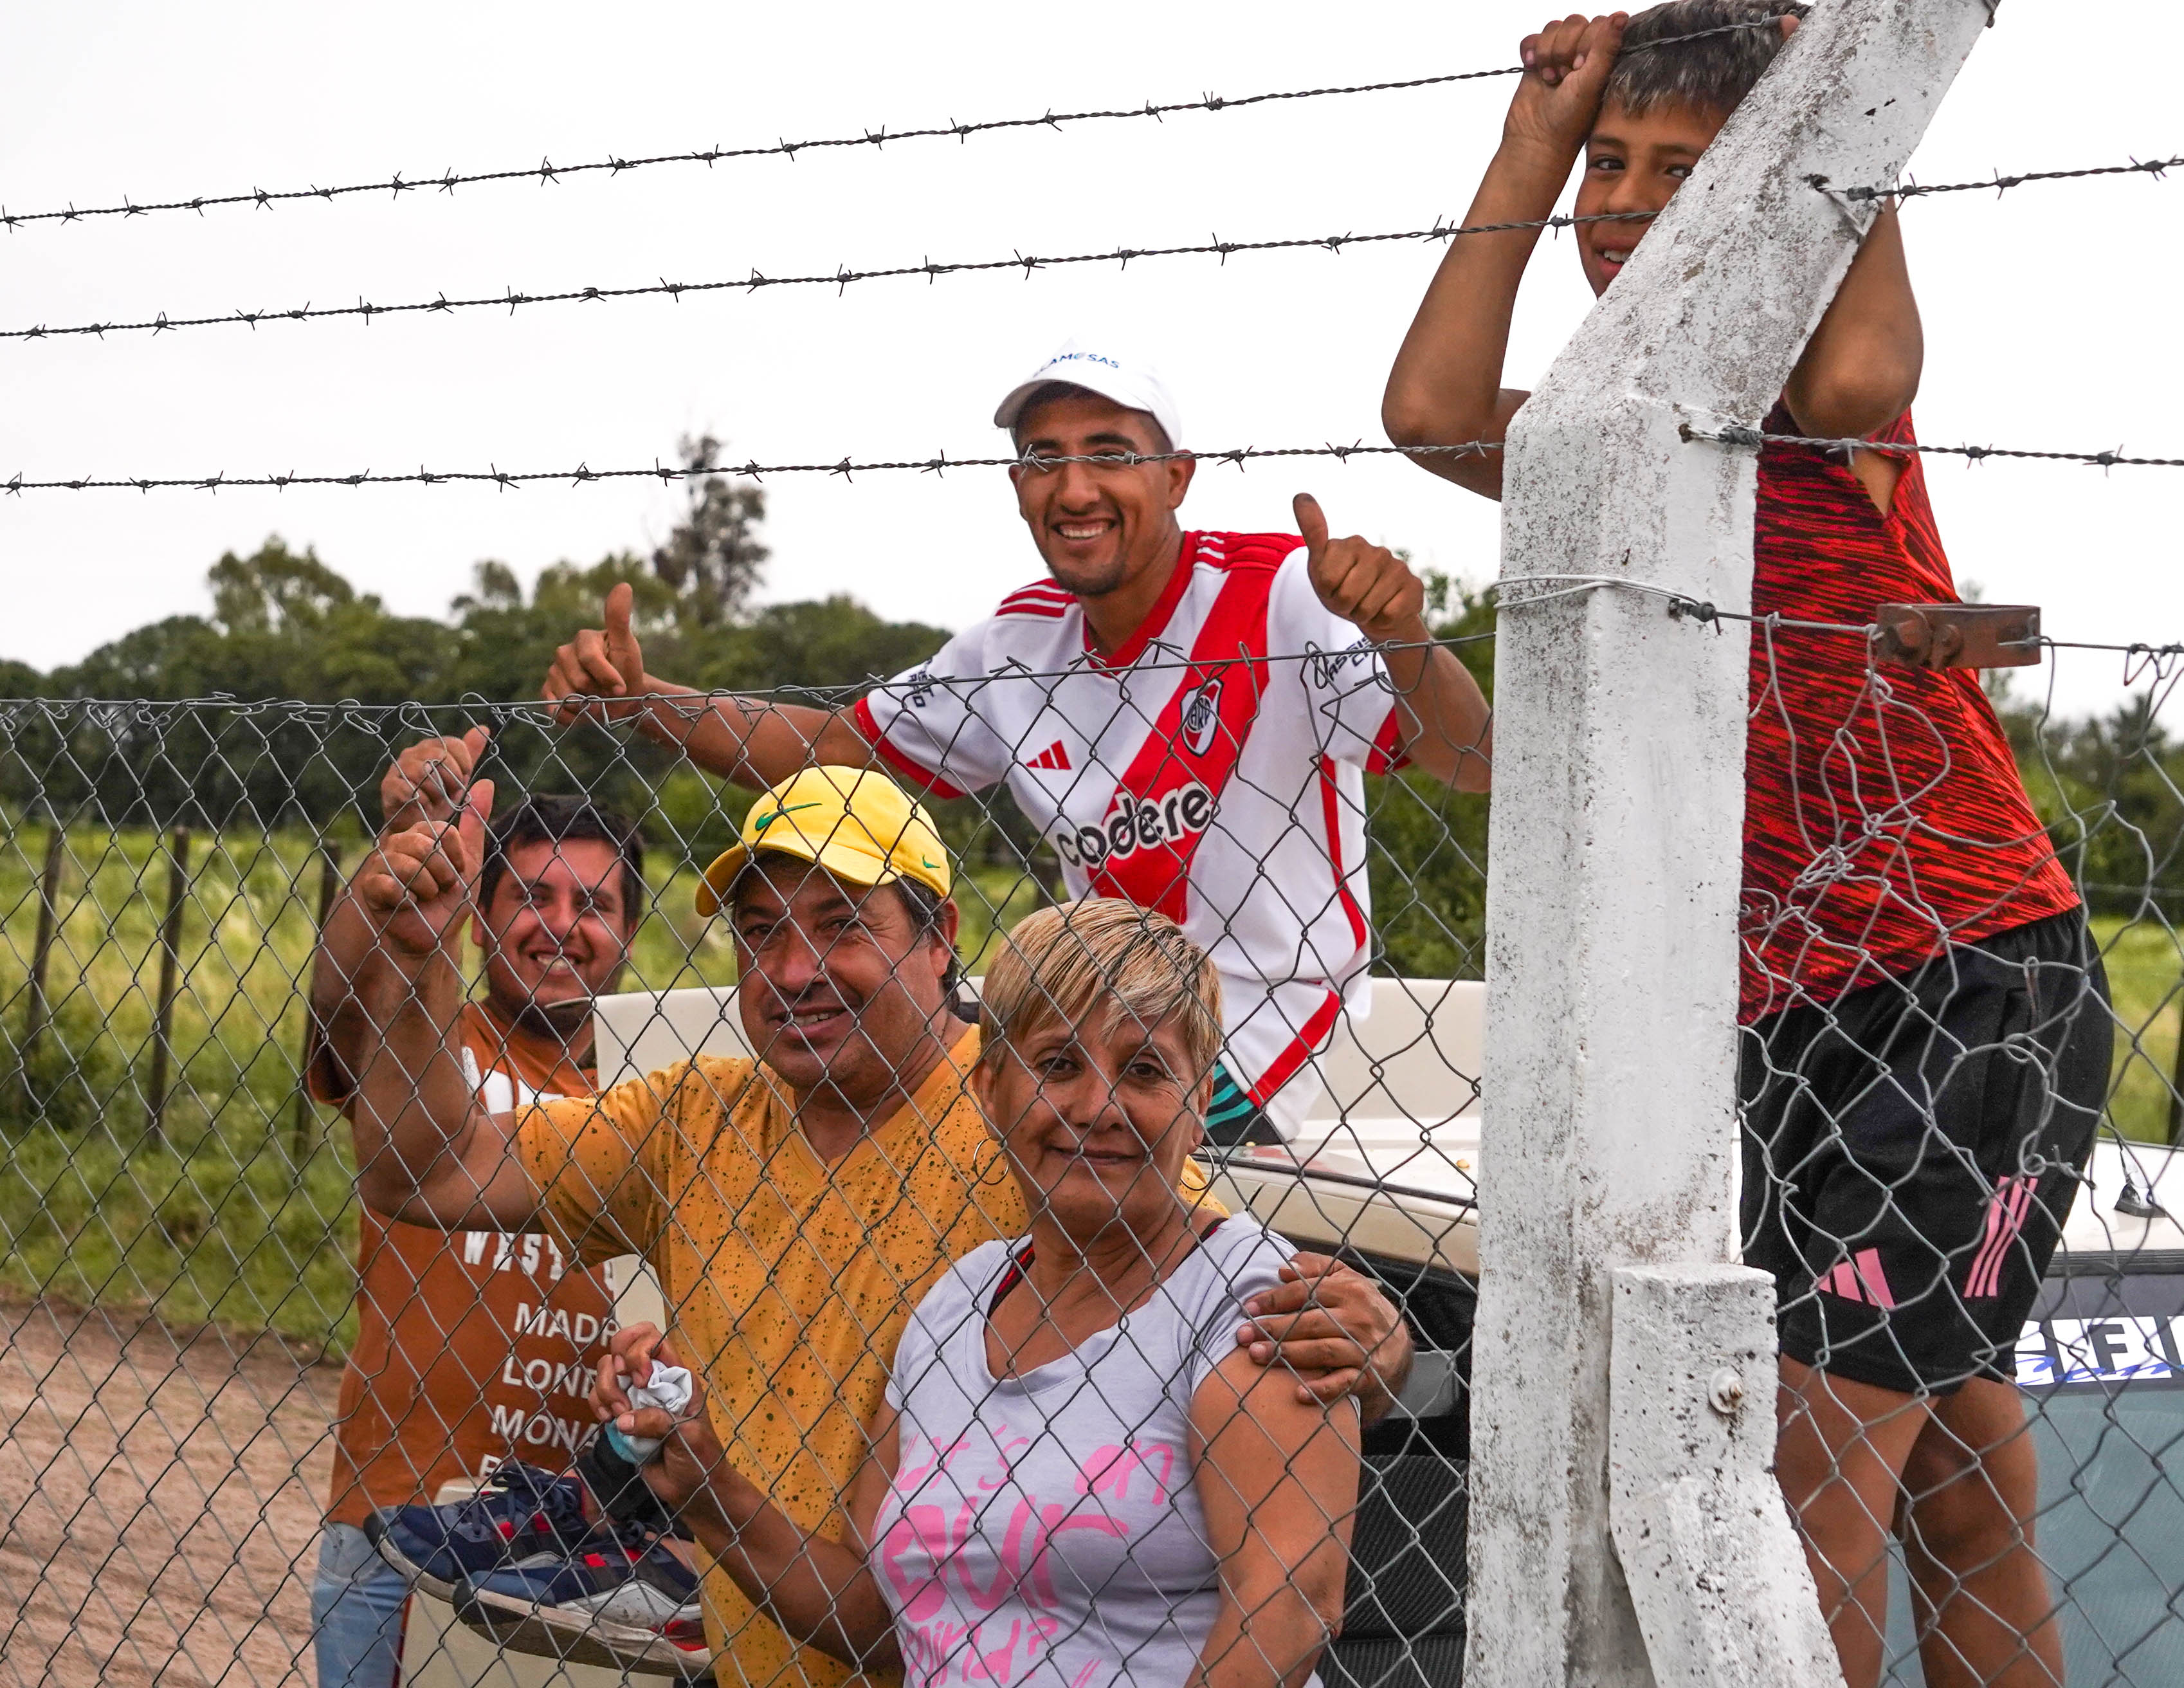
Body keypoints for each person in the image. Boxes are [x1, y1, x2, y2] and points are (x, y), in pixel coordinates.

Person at [1381, 6, 2109, 1685]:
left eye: (1683, 175)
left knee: (1802, 1501)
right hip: (1781, 1019)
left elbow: (1863, 367)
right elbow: (1424, 410)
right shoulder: (1607, 432)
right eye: (1610, 170)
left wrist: (1837, 126)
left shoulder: (1807, 406)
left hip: (1959, 984)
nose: (1627, 203)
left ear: (1777, 195)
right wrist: (1531, 139)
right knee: (1958, 1480)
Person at [337, 762, 1408, 1686]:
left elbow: (1190, 1262)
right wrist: (422, 959)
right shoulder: (692, 1119)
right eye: (762, 932)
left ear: (939, 936)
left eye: (841, 923)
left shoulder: (1029, 1116)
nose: (795, 970)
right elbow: (425, 1169)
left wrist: (1381, 1335)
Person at [539, 342, 1493, 1142]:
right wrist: (646, 701)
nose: (1074, 488)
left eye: (1109, 453)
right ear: (1017, 486)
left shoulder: (1283, 593)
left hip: (1264, 1046)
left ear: (1176, 477)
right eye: (1045, 458)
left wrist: (1405, 635)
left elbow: (1471, 759)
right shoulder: (1016, 646)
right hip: (1097, 1041)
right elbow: (841, 749)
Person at [595, 897, 1361, 1688]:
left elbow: (1291, 1604)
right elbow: (879, 1620)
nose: (1097, 1107)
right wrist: (707, 1482)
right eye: (1059, 1064)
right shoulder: (956, 1307)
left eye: (1145, 1070)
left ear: (1201, 1101)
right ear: (990, 1091)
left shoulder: (1253, 1301)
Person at [302, 729, 651, 1688]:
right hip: (401, 1522)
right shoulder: (433, 1029)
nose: (562, 924)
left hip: (594, 1551)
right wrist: (394, 887)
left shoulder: (657, 1088)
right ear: (481, 916)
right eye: (530, 896)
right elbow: (341, 1001)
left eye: (596, 904)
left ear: (629, 932)